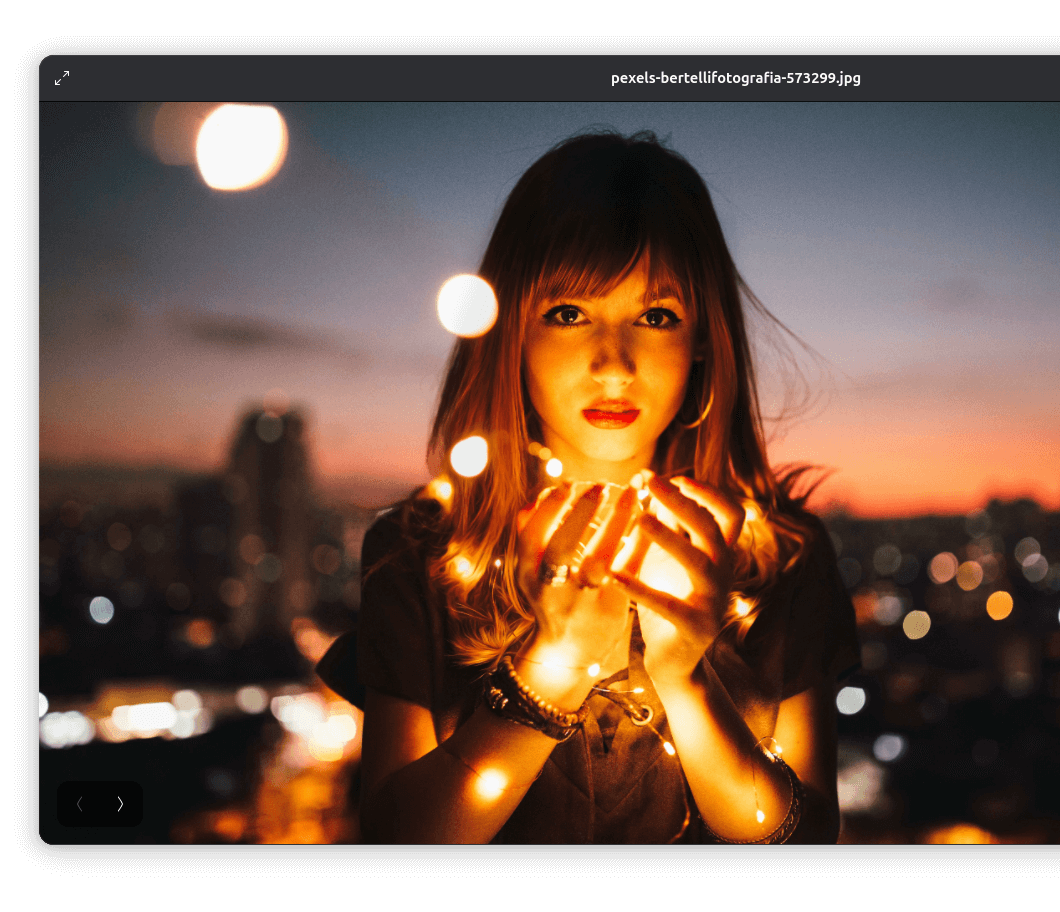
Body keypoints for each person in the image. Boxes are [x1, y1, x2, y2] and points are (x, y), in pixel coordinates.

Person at [316, 130, 859, 843]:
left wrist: (686, 682)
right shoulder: (424, 553)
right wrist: (552, 669)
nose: (612, 366)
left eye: (655, 316)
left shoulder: (779, 558)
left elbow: (806, 834)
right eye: (568, 313)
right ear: (512, 330)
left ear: (703, 337)